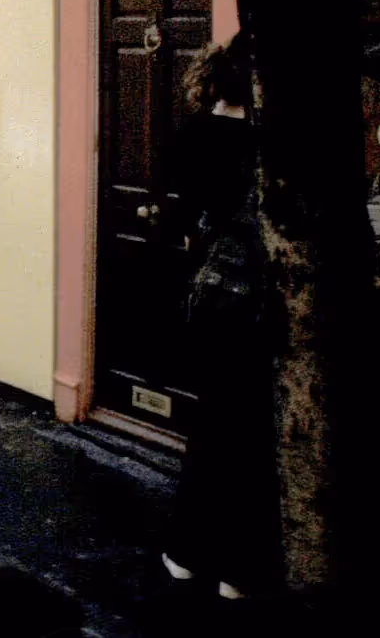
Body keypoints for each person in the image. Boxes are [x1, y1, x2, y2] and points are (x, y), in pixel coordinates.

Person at [160, 37, 275, 602]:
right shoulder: (267, 140)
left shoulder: (193, 132)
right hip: (259, 299)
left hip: (210, 298)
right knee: (252, 433)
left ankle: (186, 552)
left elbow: (181, 214)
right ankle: (238, 568)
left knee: (210, 424)